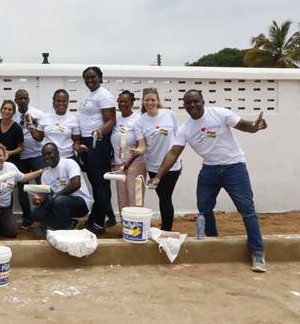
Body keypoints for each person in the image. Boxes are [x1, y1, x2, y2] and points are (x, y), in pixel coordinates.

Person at [148, 90, 268, 272]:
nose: (193, 106)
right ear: (184, 106)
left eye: (196, 102)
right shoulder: (186, 129)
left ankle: (257, 252)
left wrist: (256, 126)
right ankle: (213, 242)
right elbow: (173, 153)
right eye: (188, 103)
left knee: (247, 209)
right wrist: (158, 176)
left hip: (234, 167)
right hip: (209, 170)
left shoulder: (219, 113)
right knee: (204, 207)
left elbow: (245, 126)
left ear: (203, 101)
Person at [135, 87, 181, 231]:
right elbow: (142, 146)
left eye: (152, 100)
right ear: (143, 102)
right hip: (153, 167)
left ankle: (166, 230)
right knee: (163, 198)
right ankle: (166, 228)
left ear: (158, 101)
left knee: (165, 198)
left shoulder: (169, 114)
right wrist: (138, 150)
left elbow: (178, 139)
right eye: (147, 100)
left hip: (172, 166)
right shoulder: (140, 121)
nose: (150, 103)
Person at [0, 143, 43, 240]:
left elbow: (23, 178)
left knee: (12, 232)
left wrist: (39, 172)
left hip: (4, 205)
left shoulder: (10, 167)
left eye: (0, 155)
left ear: (5, 156)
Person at [77, 66, 116, 235]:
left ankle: (99, 223)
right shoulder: (90, 95)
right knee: (96, 182)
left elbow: (111, 120)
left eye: (93, 77)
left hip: (98, 142)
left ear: (100, 77)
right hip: (88, 141)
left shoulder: (104, 94)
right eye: (87, 78)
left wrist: (99, 132)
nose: (90, 80)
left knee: (100, 184)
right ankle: (99, 216)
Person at [30, 143, 93, 230]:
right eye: (44, 155)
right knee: (36, 213)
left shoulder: (69, 163)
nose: (46, 157)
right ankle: (69, 224)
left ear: (57, 153)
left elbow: (76, 184)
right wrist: (39, 199)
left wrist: (56, 196)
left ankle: (65, 233)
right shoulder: (45, 174)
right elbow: (45, 194)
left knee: (59, 200)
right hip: (59, 203)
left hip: (81, 203)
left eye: (49, 153)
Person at [110, 90, 146, 214]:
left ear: (132, 103)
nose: (122, 104)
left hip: (135, 165)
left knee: (136, 198)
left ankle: (136, 229)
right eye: (120, 101)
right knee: (122, 199)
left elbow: (142, 145)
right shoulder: (117, 120)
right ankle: (126, 229)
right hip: (119, 165)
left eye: (126, 101)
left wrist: (129, 161)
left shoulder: (138, 119)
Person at [13, 89, 45, 229]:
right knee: (22, 189)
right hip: (21, 158)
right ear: (16, 100)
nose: (23, 101)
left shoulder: (38, 114)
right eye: (20, 98)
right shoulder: (12, 115)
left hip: (38, 155)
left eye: (25, 98)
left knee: (42, 187)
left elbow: (43, 134)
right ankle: (27, 218)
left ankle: (44, 218)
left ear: (29, 99)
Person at [29, 89, 81, 160]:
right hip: (48, 158)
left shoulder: (73, 119)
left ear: (68, 102)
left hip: (67, 157)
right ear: (53, 102)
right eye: (58, 101)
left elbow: (76, 140)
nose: (61, 103)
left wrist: (77, 146)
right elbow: (39, 138)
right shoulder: (45, 117)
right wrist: (32, 130)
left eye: (64, 101)